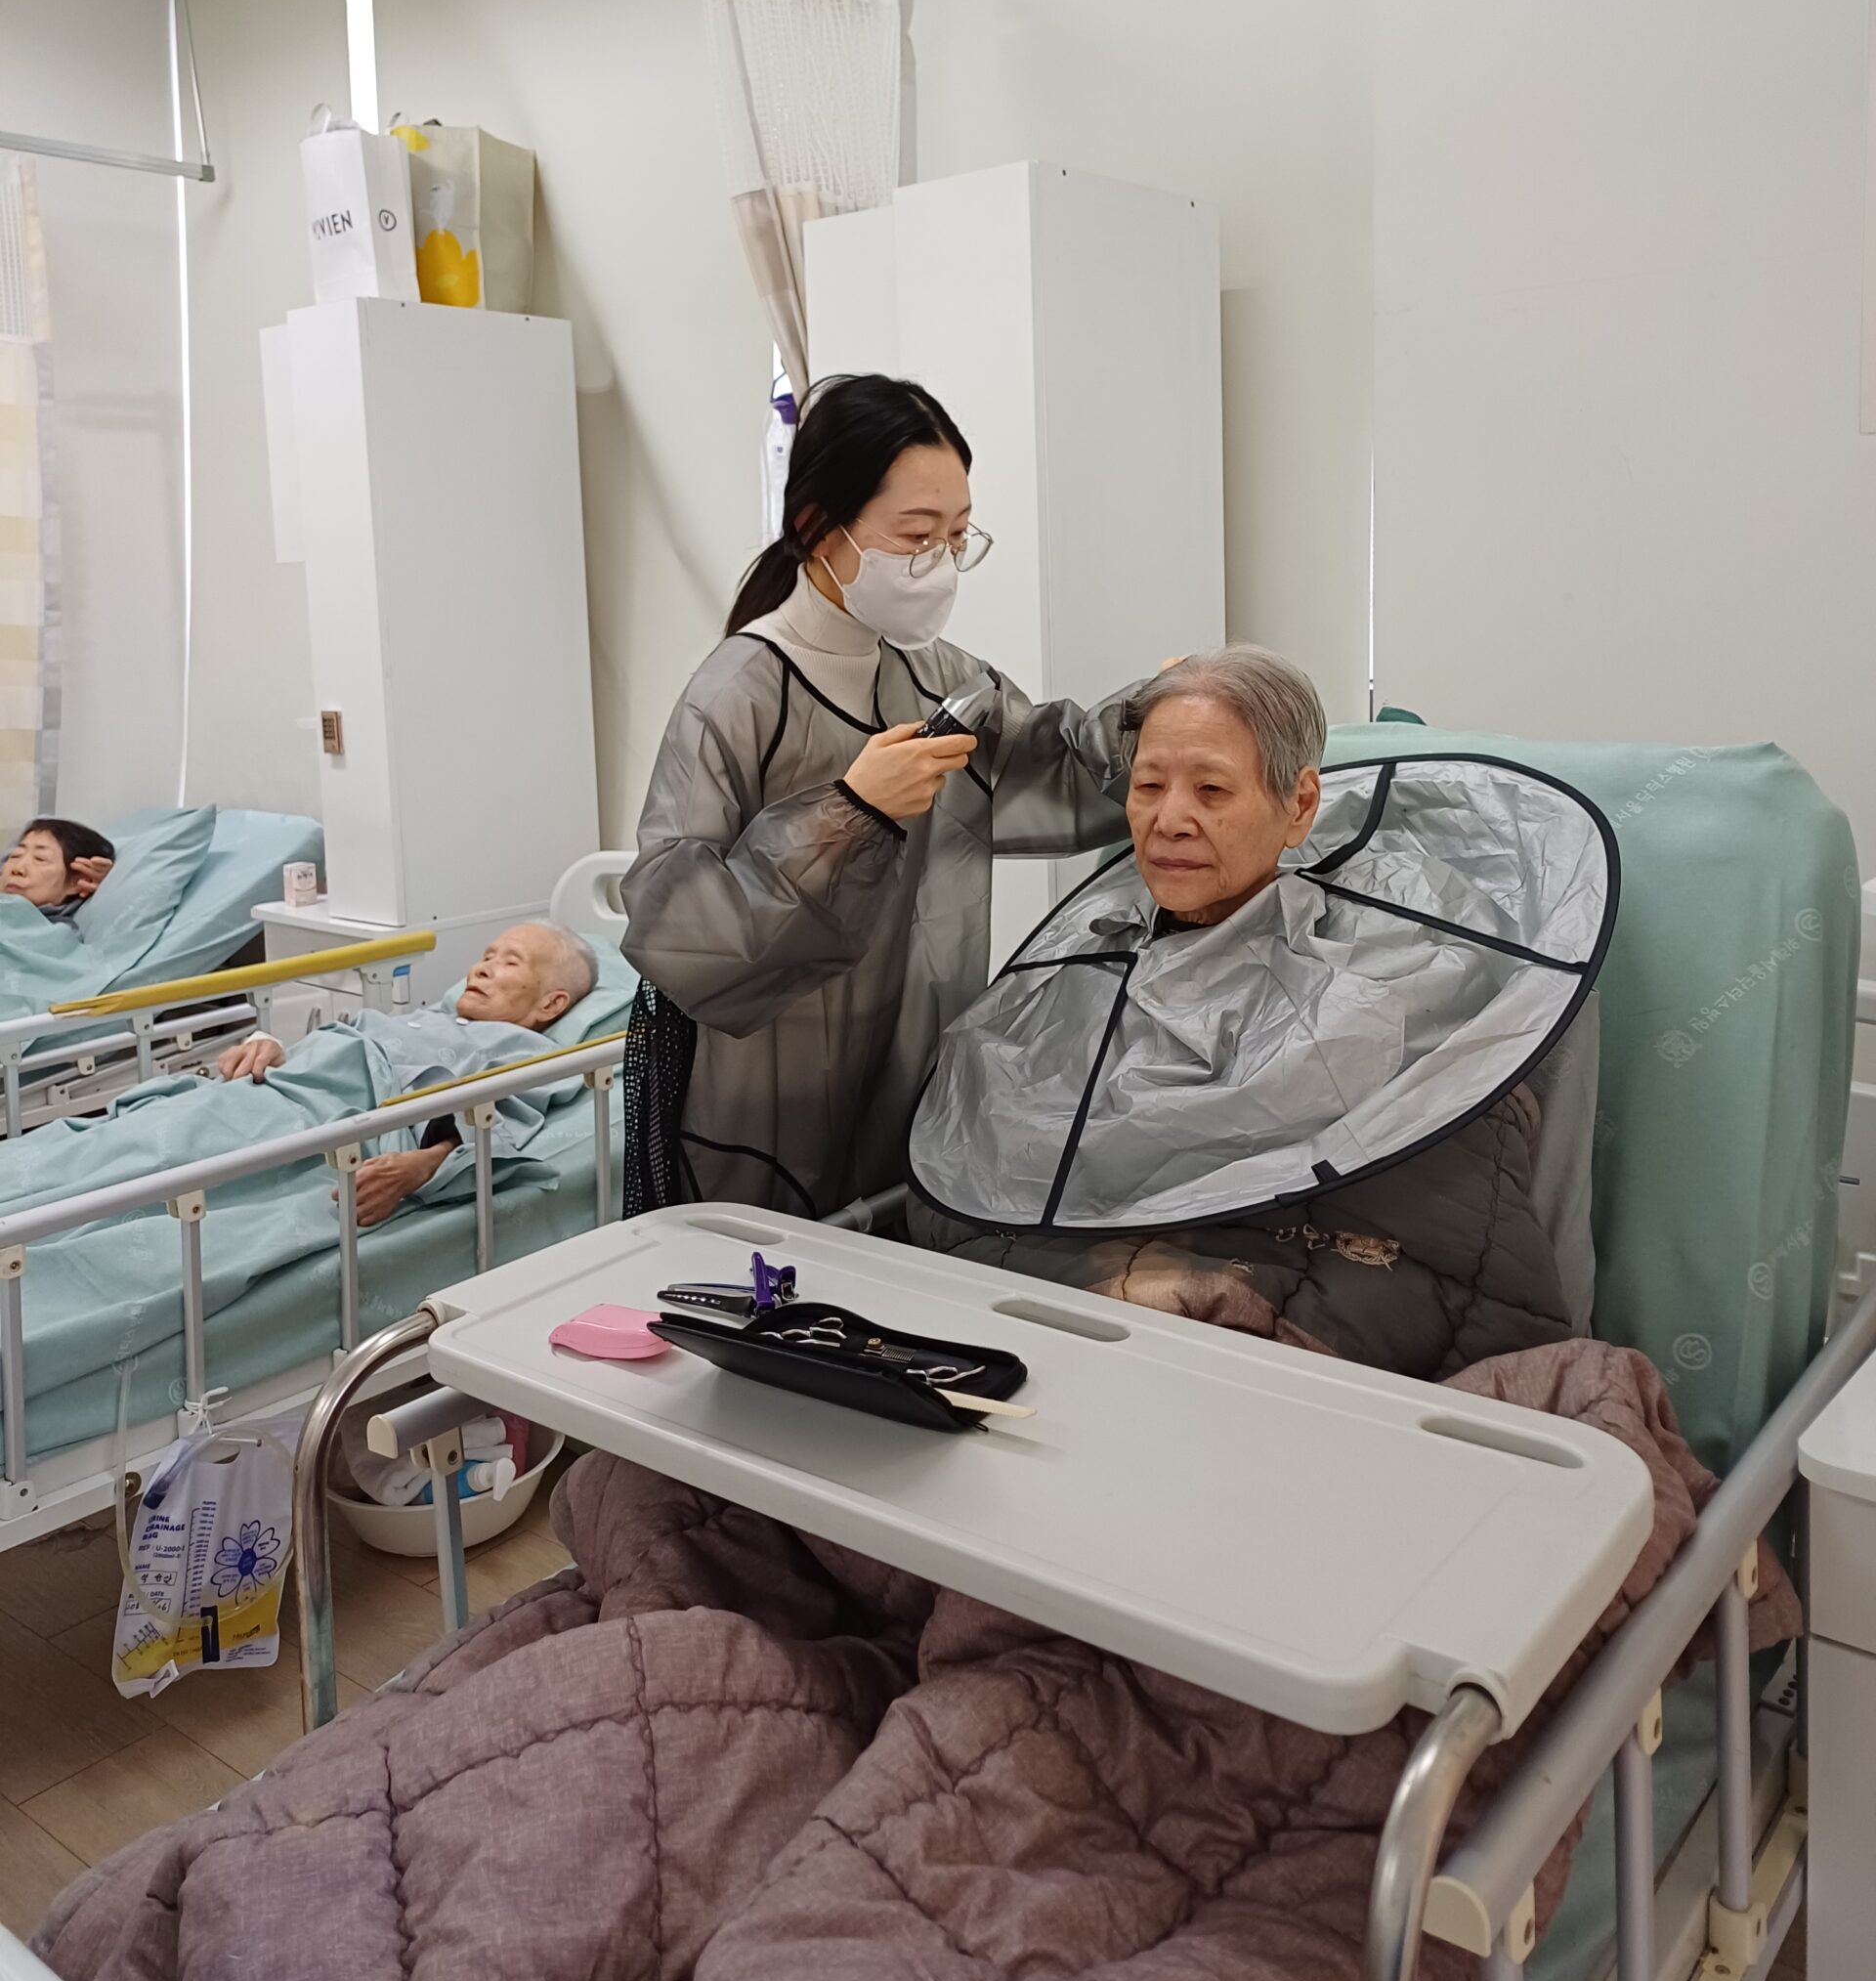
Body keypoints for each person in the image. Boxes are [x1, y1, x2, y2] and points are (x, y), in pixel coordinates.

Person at [909, 644, 1581, 1378]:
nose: (1169, 820)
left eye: (1212, 791)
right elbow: (981, 1161)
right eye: (1148, 785)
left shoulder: (1392, 956)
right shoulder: (1094, 951)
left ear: (1299, 806)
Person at [620, 372, 1149, 1218]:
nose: (938, 562)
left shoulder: (940, 677)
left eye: (957, 535)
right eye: (915, 536)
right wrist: (847, 815)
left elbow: (1056, 774)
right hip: (765, 1115)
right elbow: (678, 936)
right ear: (816, 525)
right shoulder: (740, 692)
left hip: (906, 1080)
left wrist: (1155, 726)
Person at [0, 923, 598, 1231]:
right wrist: (270, 1045)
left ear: (551, 1004)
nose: (483, 968)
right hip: (260, 1092)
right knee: (110, 1144)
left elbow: (496, 1125)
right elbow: (329, 1047)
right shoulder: (423, 1017)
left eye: (510, 962)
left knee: (144, 1171)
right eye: (487, 955)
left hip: (310, 1123)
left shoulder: (526, 1050)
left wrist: (423, 1164)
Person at [1, 817, 115, 923]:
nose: (18, 868)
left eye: (40, 859)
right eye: (15, 855)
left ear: (76, 881)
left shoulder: (52, 934)